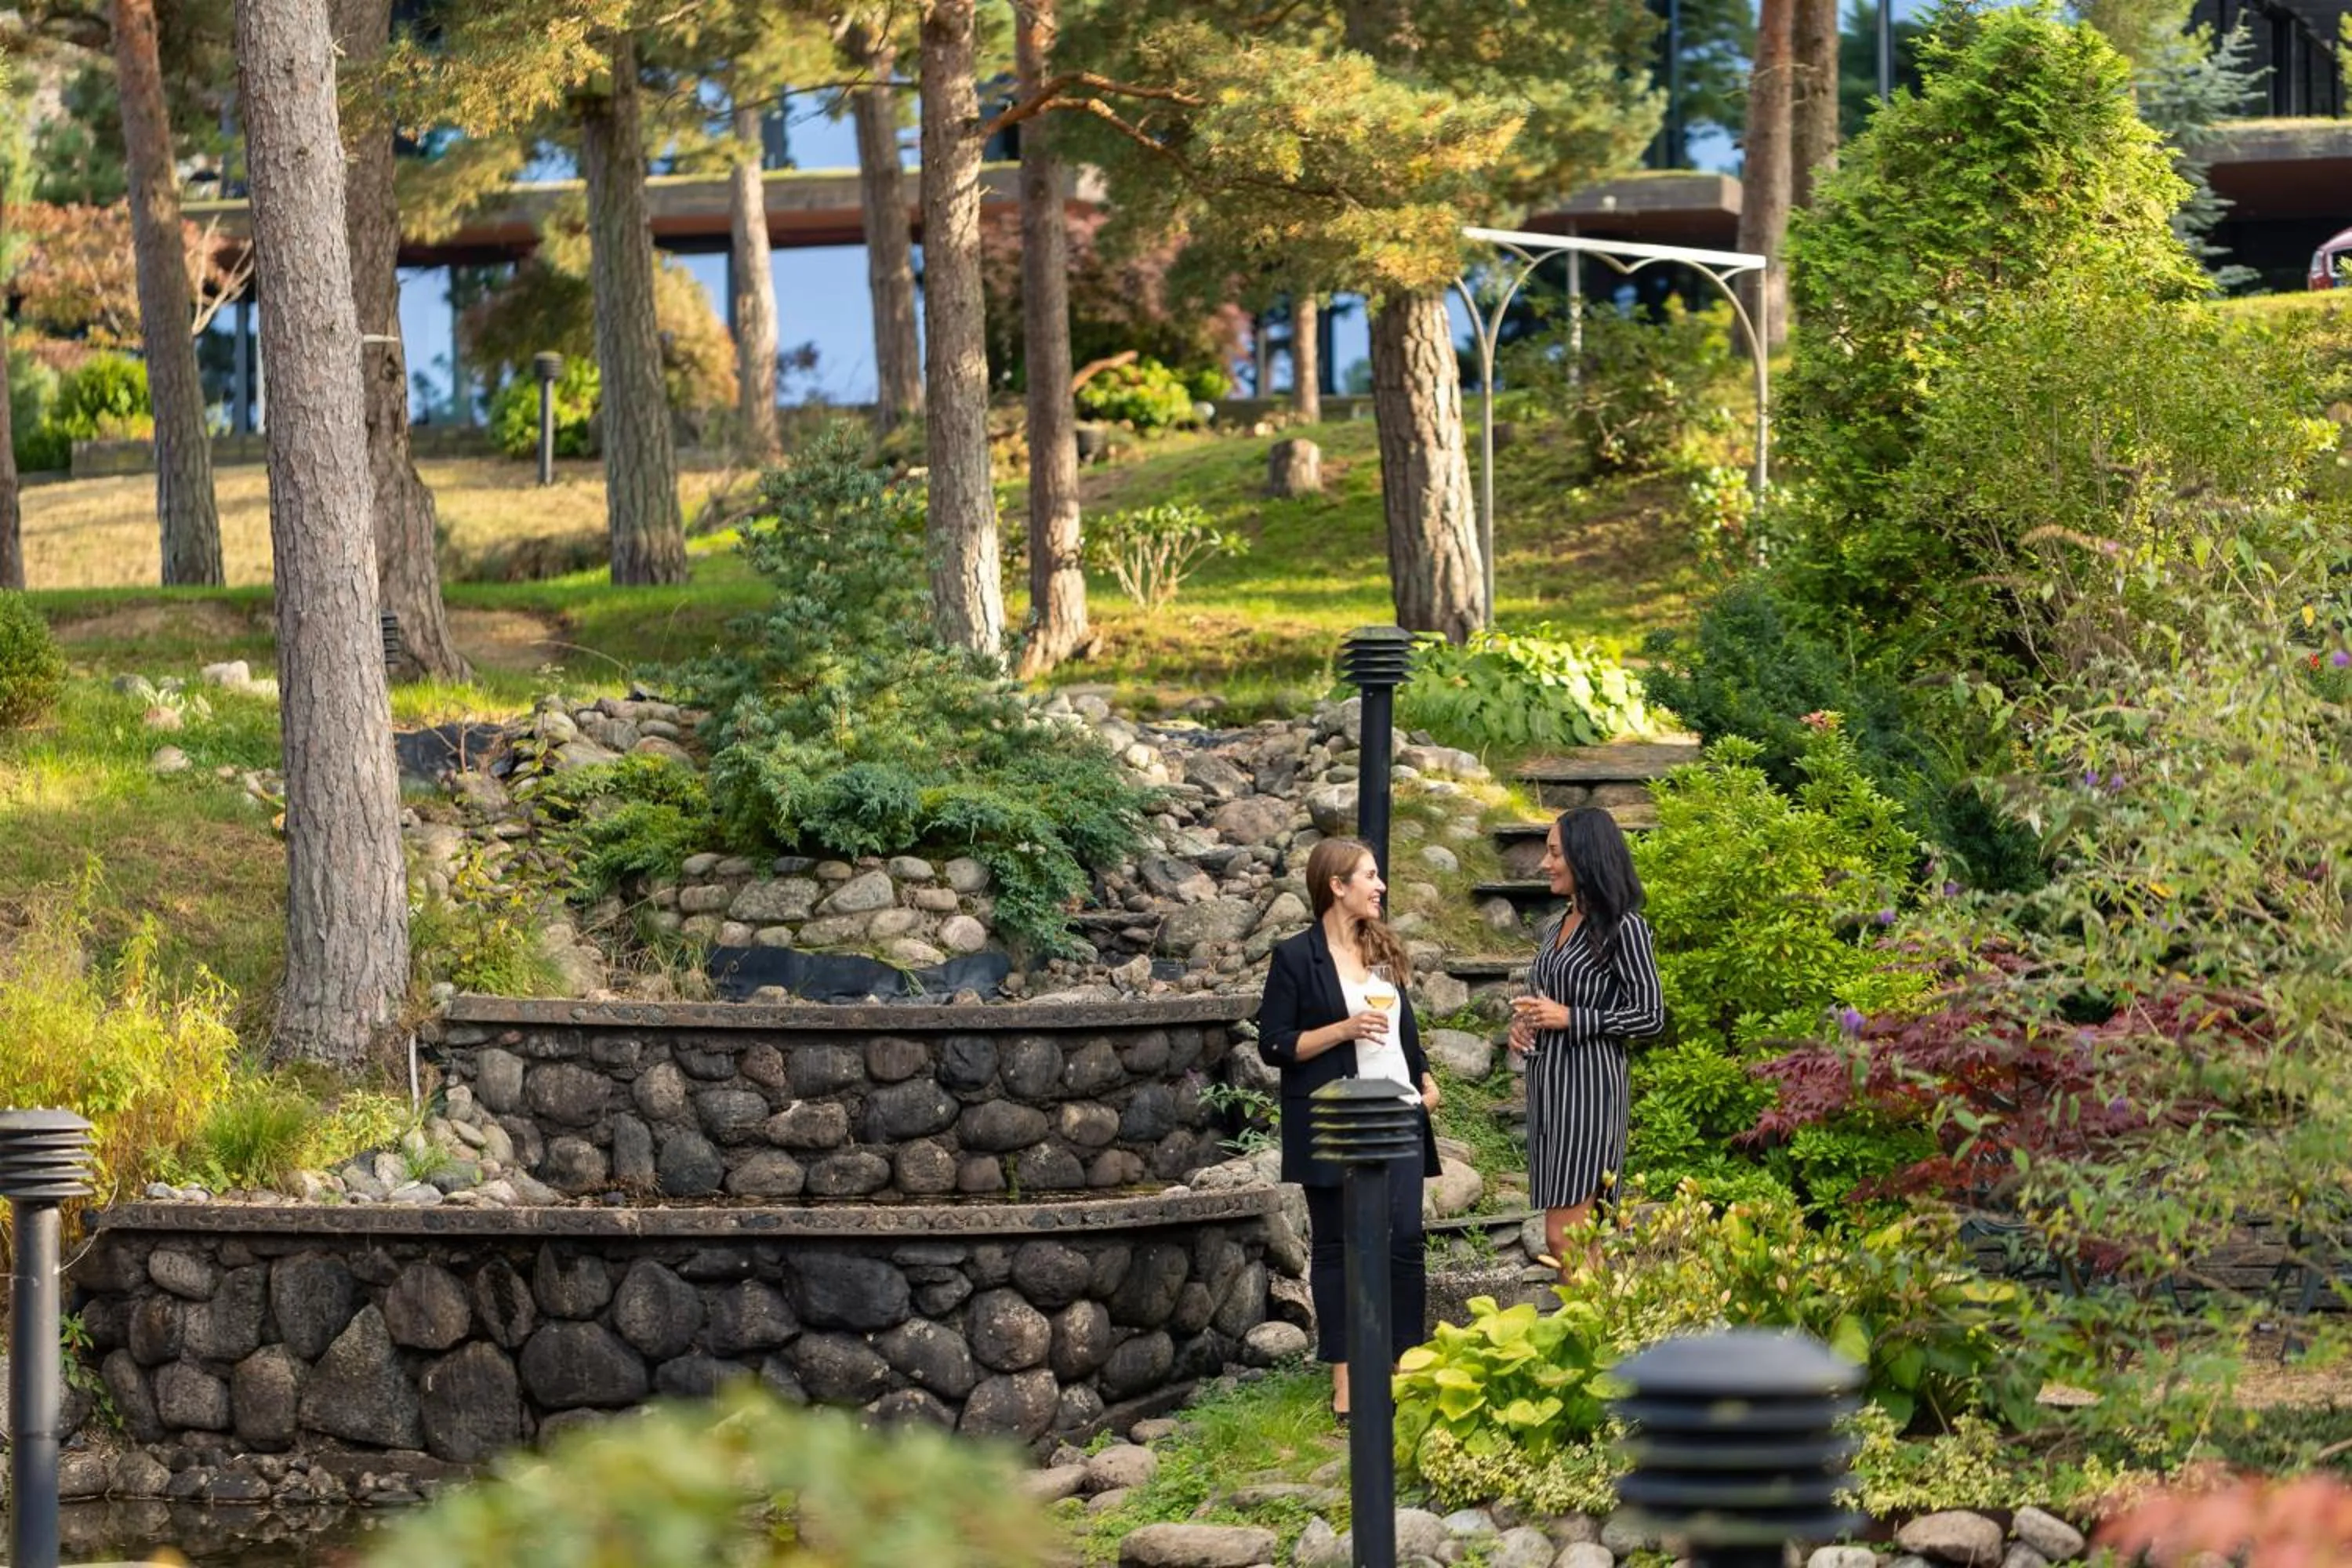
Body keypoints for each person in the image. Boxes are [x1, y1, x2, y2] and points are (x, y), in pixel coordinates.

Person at [1255, 836, 1443, 1421]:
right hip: (1336, 1120)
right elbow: (1274, 1044)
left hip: (1398, 1114)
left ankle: (1403, 1364)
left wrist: (1425, 1078)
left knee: (1404, 1240)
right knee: (1337, 1246)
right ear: (1337, 886)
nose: (1380, 885)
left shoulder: (1382, 947)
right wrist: (1343, 1028)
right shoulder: (1295, 957)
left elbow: (1404, 1031)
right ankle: (1345, 1377)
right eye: (1369, 876)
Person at [1508, 806, 1666, 1272]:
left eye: (1555, 853)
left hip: (1590, 1091)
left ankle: (1596, 1320)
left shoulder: (1624, 928)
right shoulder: (1558, 926)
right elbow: (1546, 1000)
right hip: (1550, 1089)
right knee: (1584, 1239)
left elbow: (1650, 1016)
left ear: (1585, 855)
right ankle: (1604, 1320)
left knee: (1564, 1237)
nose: (1545, 863)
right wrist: (1526, 1025)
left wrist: (1571, 1018)